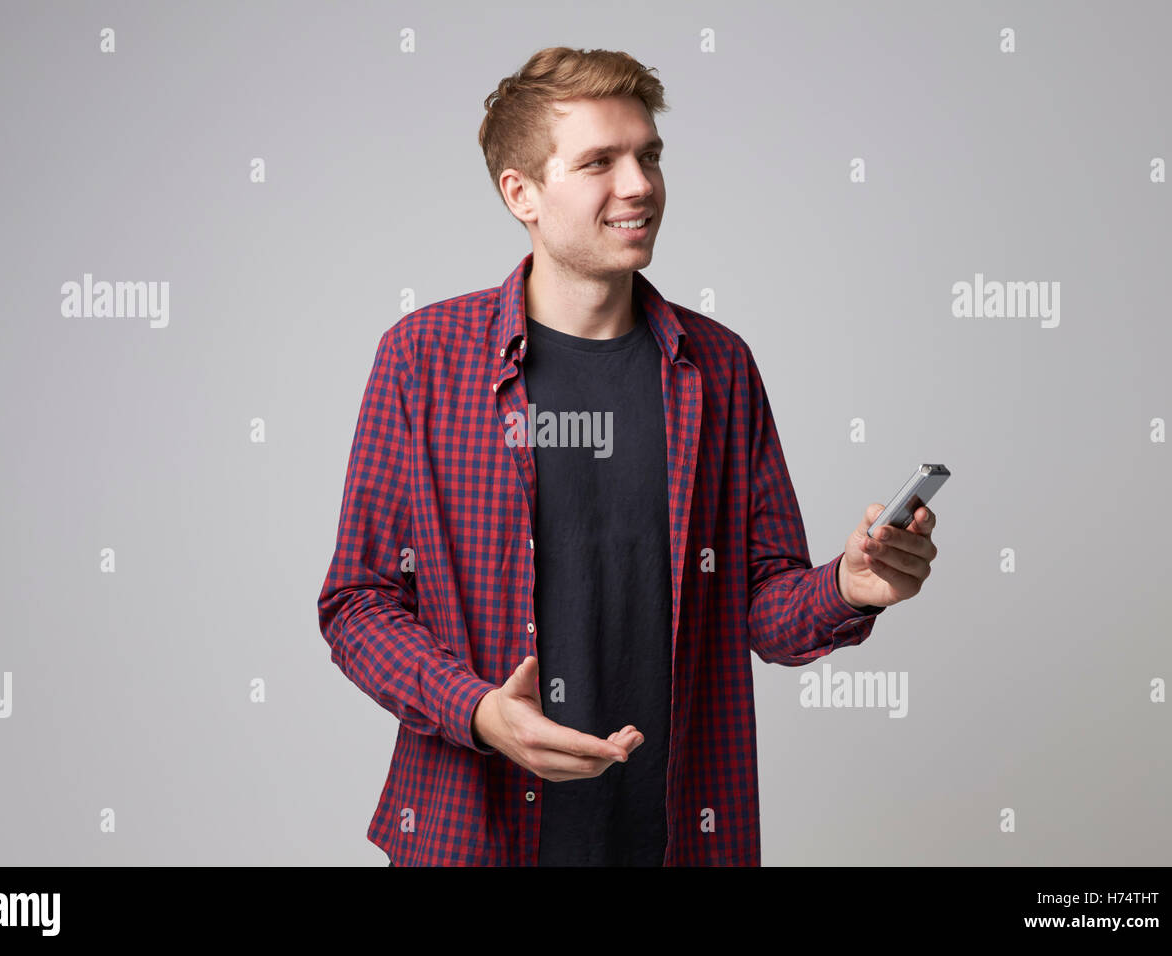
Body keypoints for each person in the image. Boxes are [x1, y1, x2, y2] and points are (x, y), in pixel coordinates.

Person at [317, 46, 939, 867]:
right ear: (522, 193)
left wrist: (849, 589)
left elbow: (764, 606)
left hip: (676, 834)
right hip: (479, 838)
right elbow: (357, 604)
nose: (640, 183)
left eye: (648, 155)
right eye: (599, 162)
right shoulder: (424, 359)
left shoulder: (719, 366)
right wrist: (478, 712)